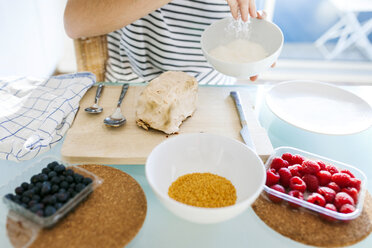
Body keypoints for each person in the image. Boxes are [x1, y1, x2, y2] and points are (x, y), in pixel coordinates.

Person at [64, 0, 267, 84]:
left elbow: (238, 16)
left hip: (213, 91)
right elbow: (75, 22)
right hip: (132, 87)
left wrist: (253, 40)